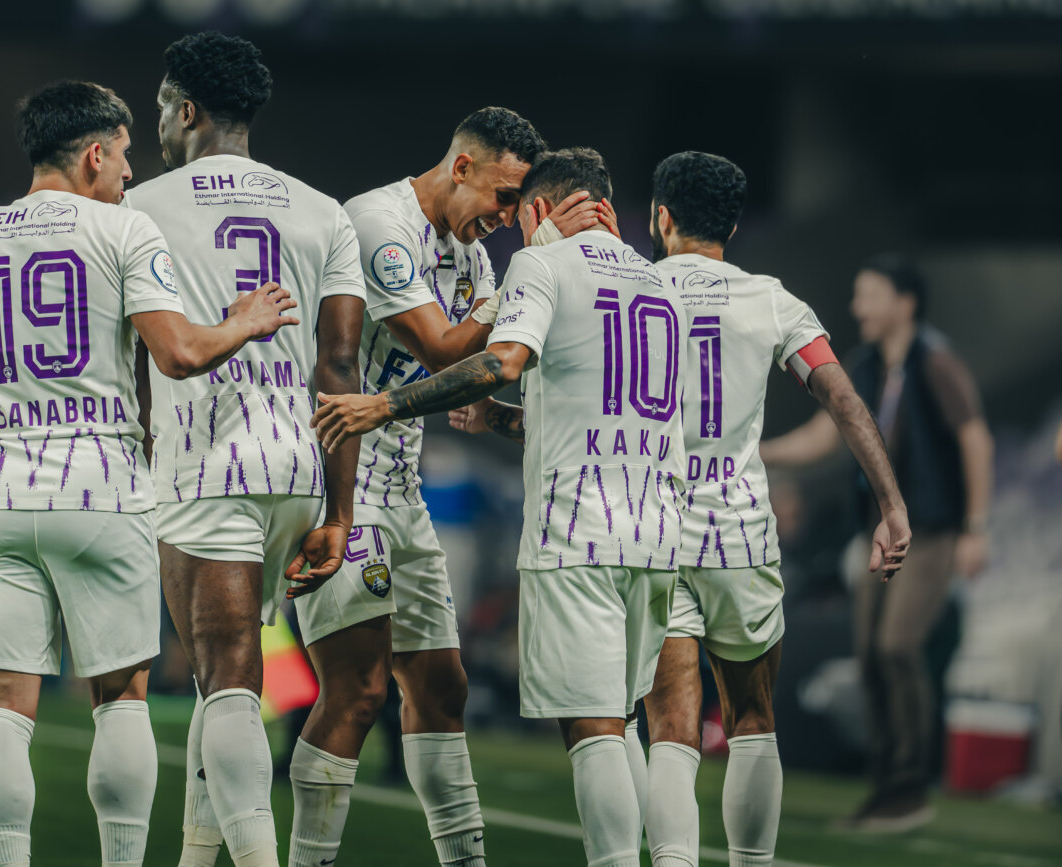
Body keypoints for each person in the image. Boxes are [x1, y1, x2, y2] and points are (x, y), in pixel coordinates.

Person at [0, 80, 297, 867]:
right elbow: (179, 353)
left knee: (2, 712)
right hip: (102, 484)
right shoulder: (124, 231)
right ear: (95, 153)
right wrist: (242, 321)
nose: (130, 171)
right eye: (126, 154)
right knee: (121, 701)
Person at [312, 147, 681, 867]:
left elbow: (491, 358)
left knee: (594, 726)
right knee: (625, 721)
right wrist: (502, 416)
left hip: (579, 529)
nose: (508, 221)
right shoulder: (658, 282)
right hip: (656, 530)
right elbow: (575, 404)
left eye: (520, 207)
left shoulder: (538, 267)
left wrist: (381, 405)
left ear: (542, 211)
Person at [122, 32, 367, 867]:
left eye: (161, 104)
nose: (157, 121)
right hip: (297, 464)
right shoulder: (322, 210)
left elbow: (132, 354)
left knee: (228, 678)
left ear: (186, 111)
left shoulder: (139, 207)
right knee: (226, 683)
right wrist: (340, 509)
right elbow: (340, 365)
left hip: (203, 460)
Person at [641, 151, 911, 867]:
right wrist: (890, 504)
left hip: (652, 535)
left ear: (660, 216)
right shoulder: (770, 299)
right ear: (732, 222)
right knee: (752, 719)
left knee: (670, 721)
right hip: (739, 536)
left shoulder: (628, 292)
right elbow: (844, 399)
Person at [762, 253, 993, 829]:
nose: (857, 307)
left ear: (904, 303)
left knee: (896, 648)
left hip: (933, 531)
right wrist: (752, 451)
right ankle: (888, 783)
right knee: (869, 656)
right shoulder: (866, 366)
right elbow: (824, 434)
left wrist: (976, 528)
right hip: (880, 532)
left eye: (869, 295)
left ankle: (911, 783)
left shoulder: (935, 363)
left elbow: (976, 440)